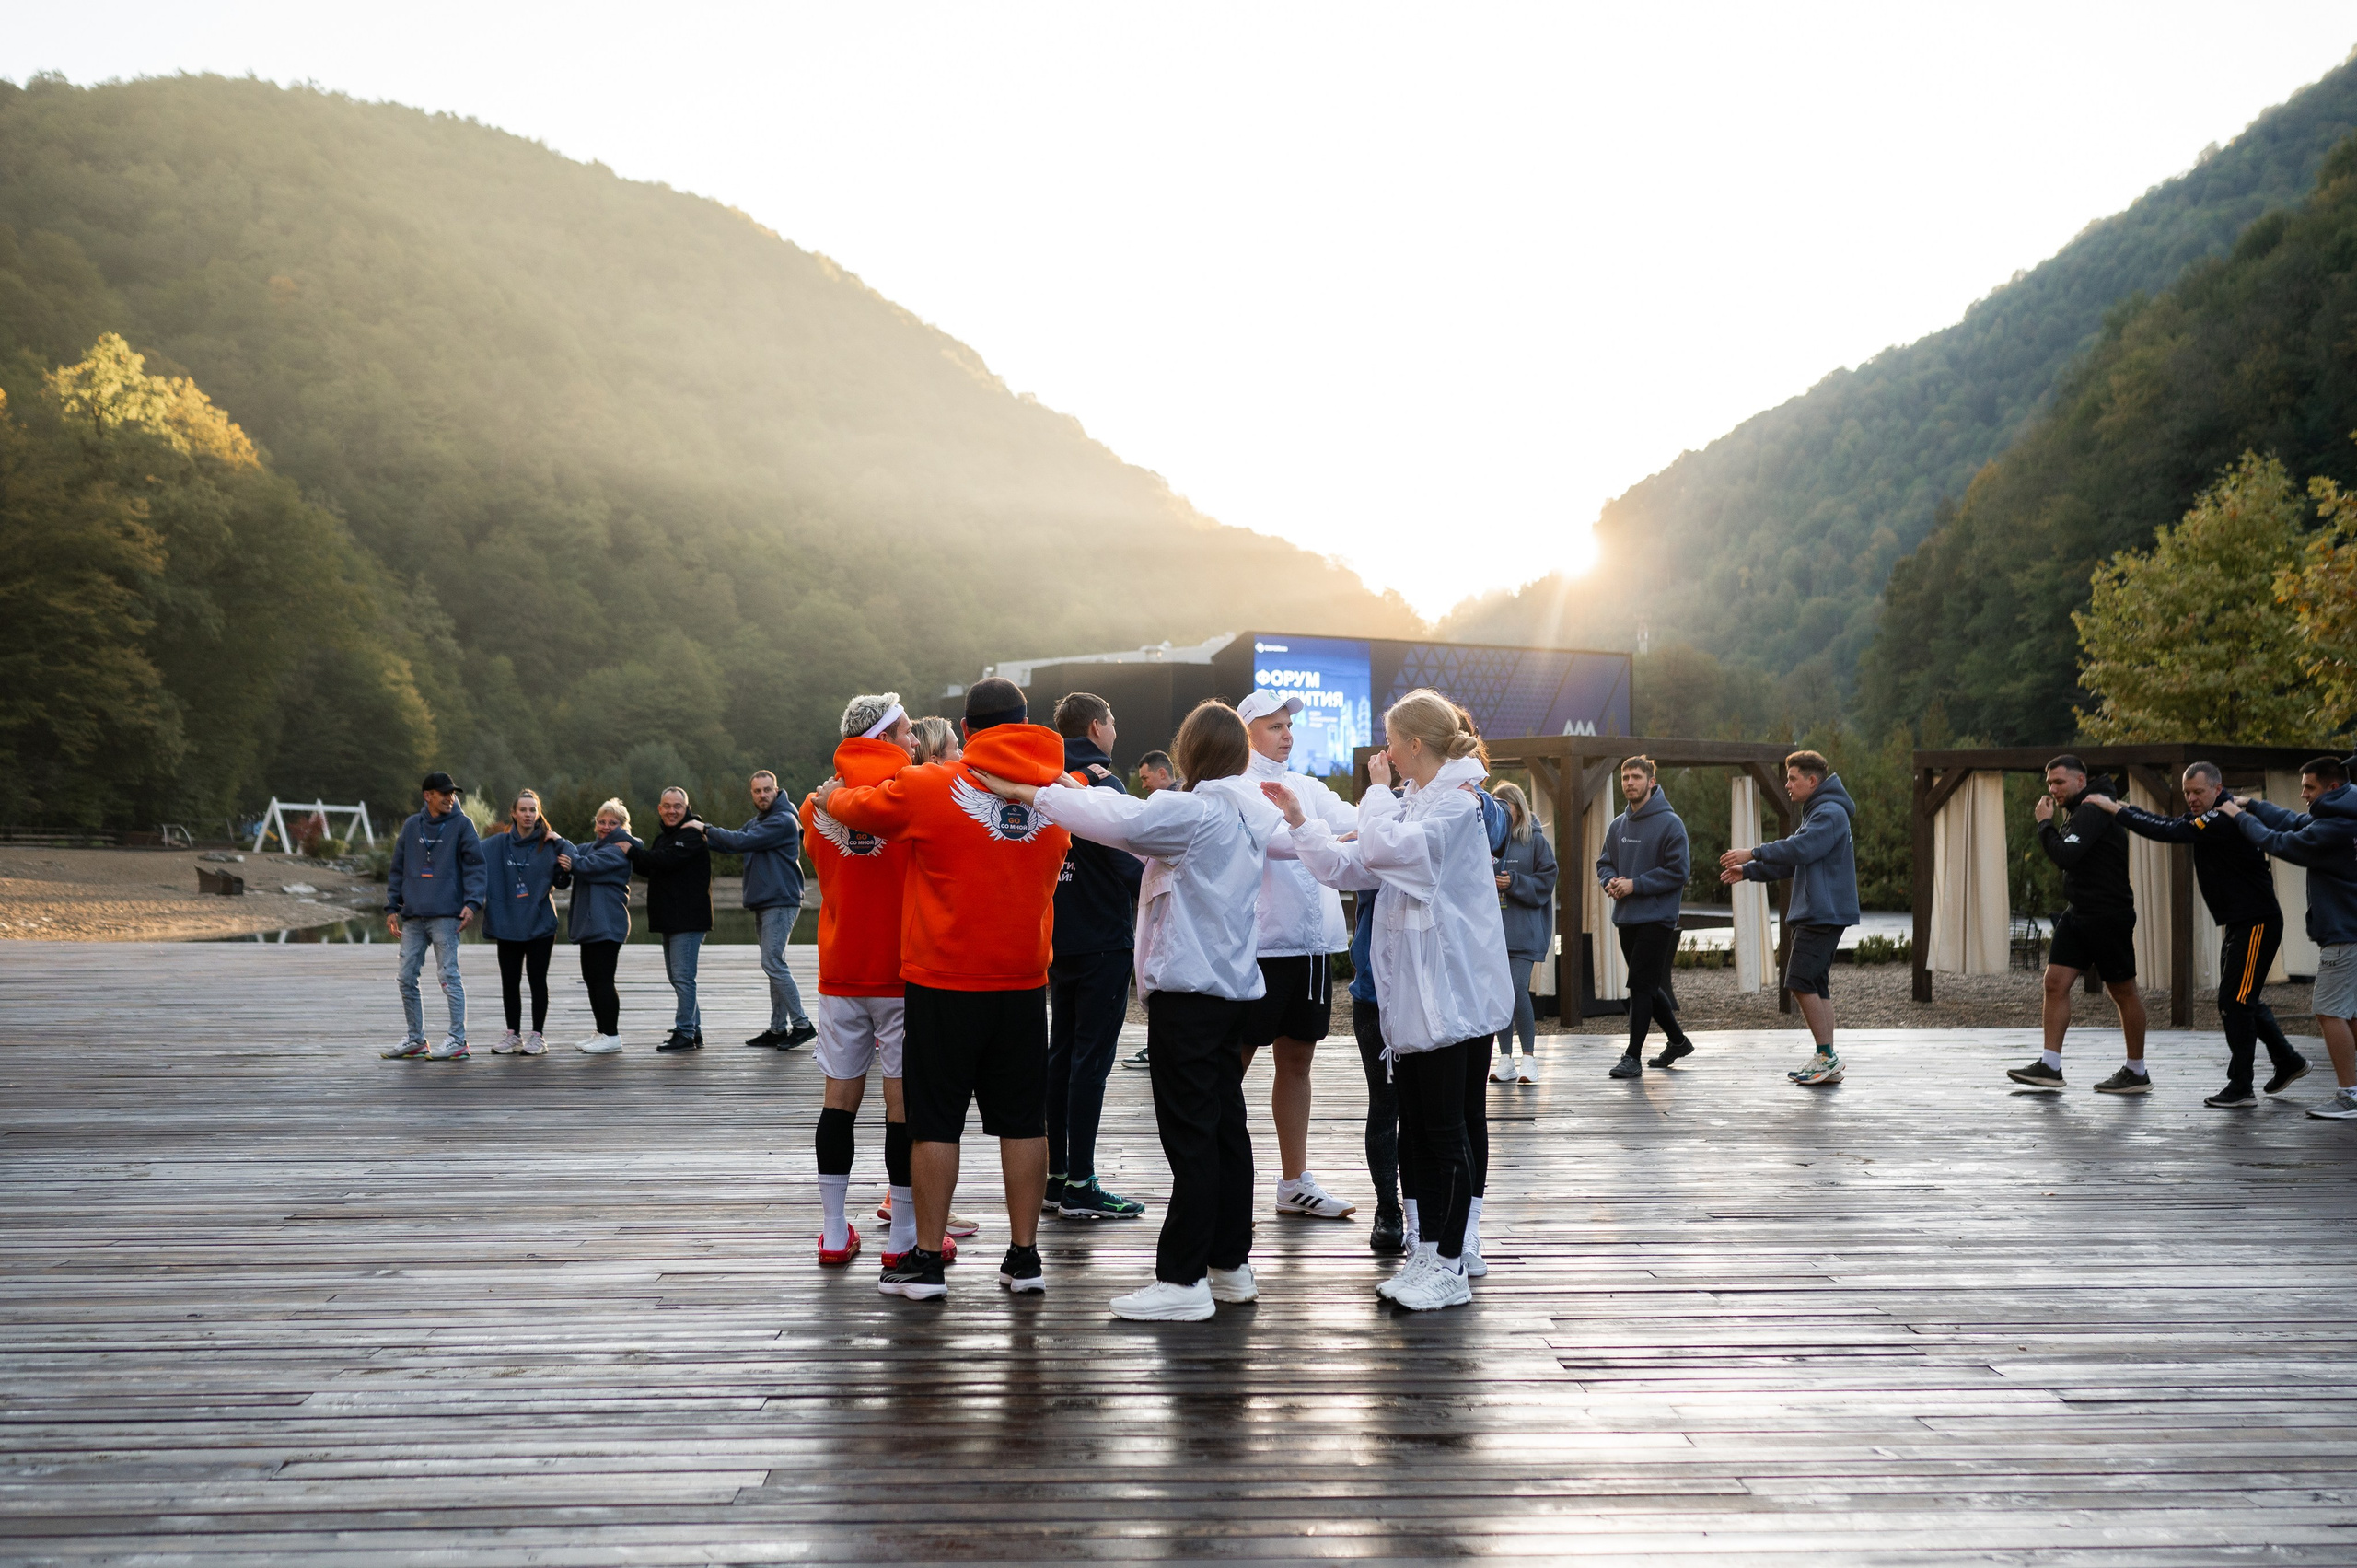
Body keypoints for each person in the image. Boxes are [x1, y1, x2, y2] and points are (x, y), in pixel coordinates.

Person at [977, 699, 1277, 1320]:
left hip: (1189, 995)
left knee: (1191, 1135)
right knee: (1225, 1130)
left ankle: (1183, 1278)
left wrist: (1035, 794)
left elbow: (1121, 822)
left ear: (1191, 751)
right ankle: (1229, 1264)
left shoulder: (1191, 811)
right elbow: (1124, 812)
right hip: (1231, 990)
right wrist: (1064, 786)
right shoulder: (1250, 808)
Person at [816, 677, 1075, 1302]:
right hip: (1023, 982)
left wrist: (832, 792)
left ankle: (925, 1261)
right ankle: (1025, 1256)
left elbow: (855, 807)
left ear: (968, 731)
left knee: (935, 1124)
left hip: (941, 982)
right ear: (1025, 724)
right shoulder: (1061, 792)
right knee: (1024, 1121)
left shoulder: (932, 786)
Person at [1272, 688, 1515, 1312]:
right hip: (1415, 1001)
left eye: (1390, 742)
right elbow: (1350, 864)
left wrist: (1375, 793)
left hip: (1450, 1000)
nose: (1385, 755)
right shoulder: (1414, 805)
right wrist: (1301, 821)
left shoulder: (1456, 809)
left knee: (1445, 1130)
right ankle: (1429, 1251)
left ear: (1413, 745)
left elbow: (1388, 850)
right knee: (1417, 1133)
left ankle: (1451, 1262)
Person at [799, 693, 935, 1267]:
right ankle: (903, 1234)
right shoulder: (913, 795)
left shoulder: (814, 804)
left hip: (841, 968)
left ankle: (833, 1232)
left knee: (839, 1101)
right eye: (906, 731)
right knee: (901, 1105)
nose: (913, 740)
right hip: (904, 970)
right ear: (882, 735)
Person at [2084, 762, 2309, 1108]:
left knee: (2235, 1001)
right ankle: (2288, 1061)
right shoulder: (2213, 815)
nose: (2190, 798)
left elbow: (2170, 831)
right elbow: (2171, 824)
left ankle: (2241, 1087)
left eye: (2197, 792)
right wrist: (2127, 809)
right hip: (2241, 922)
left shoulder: (2222, 818)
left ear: (2218, 789)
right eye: (2187, 792)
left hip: (2257, 922)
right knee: (2241, 997)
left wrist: (2116, 810)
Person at [1237, 689, 1359, 1220]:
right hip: (1257, 944)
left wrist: (1398, 802)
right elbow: (1283, 840)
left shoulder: (1307, 785)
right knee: (1231, 1063)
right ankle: (1214, 1171)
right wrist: (1332, 833)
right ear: (1245, 731)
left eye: (1289, 725)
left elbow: (1352, 819)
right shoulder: (1233, 788)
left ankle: (1294, 1181)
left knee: (1298, 1061)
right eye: (1274, 726)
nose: (1287, 734)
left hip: (1311, 946)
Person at [1045, 691, 1148, 1221]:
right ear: (1096, 726)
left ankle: (1056, 1174)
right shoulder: (1102, 781)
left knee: (1061, 1054)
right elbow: (1127, 859)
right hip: (1104, 938)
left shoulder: (1041, 779)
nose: (1115, 731)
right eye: (1113, 722)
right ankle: (1081, 1184)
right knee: (1091, 1061)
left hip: (1057, 937)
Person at [2221, 756, 2357, 1119]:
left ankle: (2350, 1096)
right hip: (2351, 932)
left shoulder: (2336, 826)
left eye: (2308, 788)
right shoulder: (2344, 810)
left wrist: (2239, 816)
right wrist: (2255, 804)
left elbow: (2280, 842)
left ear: (2331, 787)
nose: (2303, 795)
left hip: (2345, 935)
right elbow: (2297, 821)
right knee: (2351, 1015)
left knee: (2328, 1012)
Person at [2007, 756, 2146, 1093]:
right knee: (2054, 983)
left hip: (2108, 913)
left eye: (2059, 783)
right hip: (2079, 911)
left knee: (2123, 991)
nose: (2053, 790)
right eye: (2050, 784)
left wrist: (2044, 824)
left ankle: (2136, 1071)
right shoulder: (2081, 807)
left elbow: (2065, 856)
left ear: (2081, 781)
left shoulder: (2093, 809)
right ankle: (2050, 1066)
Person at [1720, 750, 1858, 1086]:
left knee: (1798, 981)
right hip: (1821, 911)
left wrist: (1754, 851)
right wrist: (1749, 870)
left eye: (1792, 778)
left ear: (1813, 781)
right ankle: (1828, 1060)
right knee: (1814, 983)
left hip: (1821, 913)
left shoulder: (1829, 813)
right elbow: (1795, 859)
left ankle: (1826, 1056)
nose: (1787, 785)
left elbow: (1800, 849)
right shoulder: (1819, 812)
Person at [1594, 757, 1695, 1079]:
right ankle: (1677, 1041)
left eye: (1636, 777)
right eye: (1625, 777)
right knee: (1647, 985)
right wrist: (1609, 880)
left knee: (1639, 984)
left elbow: (1679, 872)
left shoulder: (1670, 823)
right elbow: (1604, 863)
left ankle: (1632, 1057)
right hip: (1627, 917)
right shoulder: (1617, 826)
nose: (1629, 782)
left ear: (1652, 781)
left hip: (1658, 917)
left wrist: (1635, 884)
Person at [700, 771, 816, 1051]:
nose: (762, 795)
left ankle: (802, 1024)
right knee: (774, 963)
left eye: (767, 790)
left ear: (776, 790)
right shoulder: (758, 822)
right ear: (751, 794)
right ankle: (778, 1029)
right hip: (765, 901)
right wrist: (701, 835)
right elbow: (735, 841)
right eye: (757, 791)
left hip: (781, 900)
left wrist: (704, 829)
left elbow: (740, 842)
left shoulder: (783, 821)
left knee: (773, 962)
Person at [381, 771, 486, 1062]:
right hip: (413, 916)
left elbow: (477, 868)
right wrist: (392, 907)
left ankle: (457, 1040)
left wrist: (473, 903)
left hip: (446, 916)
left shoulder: (463, 825)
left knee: (448, 977)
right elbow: (397, 868)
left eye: (453, 794)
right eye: (445, 793)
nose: (451, 798)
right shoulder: (412, 825)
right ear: (428, 796)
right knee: (405, 978)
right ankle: (415, 1040)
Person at [480, 788, 573, 1056]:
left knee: (537, 980)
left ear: (538, 813)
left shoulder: (550, 843)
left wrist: (563, 857)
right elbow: (468, 854)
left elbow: (563, 879)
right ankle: (513, 1035)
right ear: (513, 813)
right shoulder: (497, 844)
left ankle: (538, 1036)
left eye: (533, 810)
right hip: (507, 923)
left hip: (540, 925)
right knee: (510, 981)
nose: (528, 814)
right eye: (523, 810)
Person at [625, 787, 714, 1053]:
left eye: (677, 806)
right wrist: (630, 853)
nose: (672, 810)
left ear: (686, 808)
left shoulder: (691, 835)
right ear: (659, 809)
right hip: (671, 920)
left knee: (684, 978)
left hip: (688, 921)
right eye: (667, 806)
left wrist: (631, 851)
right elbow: (651, 867)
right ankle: (693, 1030)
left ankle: (685, 1032)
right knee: (678, 978)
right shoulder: (665, 838)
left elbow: (666, 861)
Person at [1490, 782, 1557, 1084]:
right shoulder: (1490, 841)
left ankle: (1529, 1059)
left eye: (1507, 806)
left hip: (1524, 932)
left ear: (1518, 806)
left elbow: (1546, 881)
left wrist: (1513, 882)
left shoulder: (1536, 842)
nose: (1503, 812)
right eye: (1497, 806)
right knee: (1500, 996)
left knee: (1517, 989)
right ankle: (1505, 1059)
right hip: (1494, 934)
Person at [564, 800, 639, 1054]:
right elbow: (574, 851)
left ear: (622, 826)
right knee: (591, 979)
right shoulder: (595, 846)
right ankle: (601, 1031)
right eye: (601, 821)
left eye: (612, 823)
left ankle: (612, 1035)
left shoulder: (619, 850)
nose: (606, 827)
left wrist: (557, 841)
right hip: (592, 925)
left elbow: (584, 865)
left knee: (604, 980)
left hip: (608, 924)